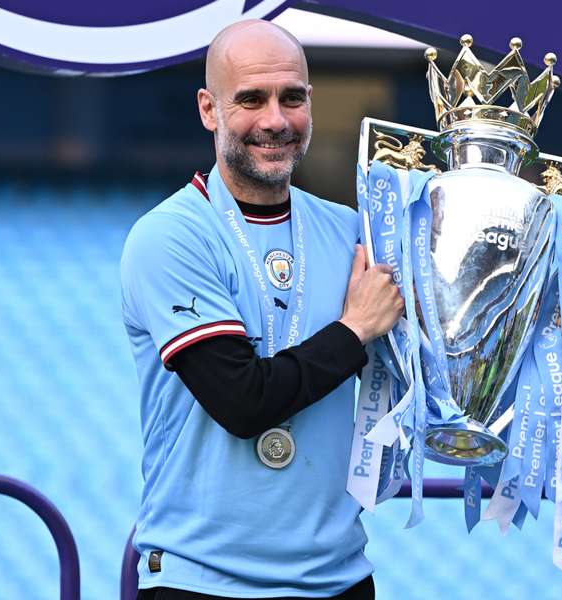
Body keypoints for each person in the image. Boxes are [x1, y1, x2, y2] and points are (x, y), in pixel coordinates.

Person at [120, 19, 403, 600]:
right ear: (208, 108)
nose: (275, 120)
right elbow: (243, 402)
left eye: (291, 98)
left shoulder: (352, 231)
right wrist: (354, 330)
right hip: (202, 582)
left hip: (338, 580)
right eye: (251, 99)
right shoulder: (171, 237)